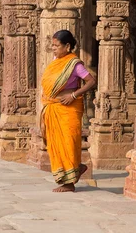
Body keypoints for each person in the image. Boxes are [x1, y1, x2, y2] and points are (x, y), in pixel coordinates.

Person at [40, 30, 96, 192]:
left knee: (68, 144)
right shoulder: (55, 61)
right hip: (53, 106)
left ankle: (69, 183)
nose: (53, 48)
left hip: (68, 109)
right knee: (55, 144)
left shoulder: (74, 64)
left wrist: (73, 95)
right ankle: (76, 169)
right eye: (53, 45)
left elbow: (91, 81)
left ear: (67, 46)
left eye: (57, 46)